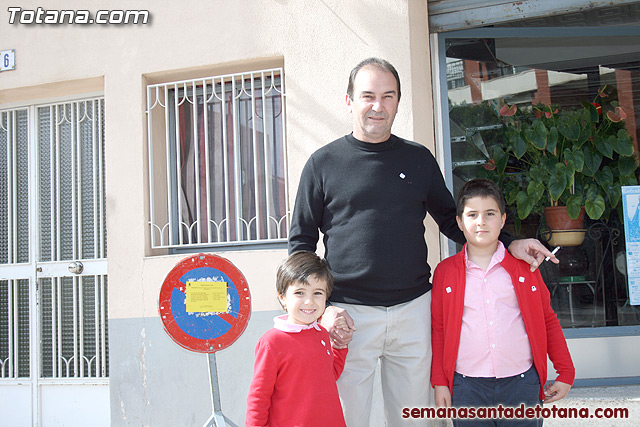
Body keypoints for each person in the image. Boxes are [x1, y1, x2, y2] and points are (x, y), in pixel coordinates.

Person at [288, 57, 558, 426]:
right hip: (348, 314)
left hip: (413, 311)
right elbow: (301, 243)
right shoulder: (322, 164)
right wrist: (321, 308)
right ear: (349, 101)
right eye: (368, 96)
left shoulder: (417, 159)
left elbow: (452, 219)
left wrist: (508, 242)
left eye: (388, 96)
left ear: (398, 101)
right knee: (345, 418)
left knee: (417, 419)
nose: (378, 106)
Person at [431, 179, 575, 426]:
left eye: (490, 214)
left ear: (503, 219)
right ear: (459, 222)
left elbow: (547, 319)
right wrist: (440, 382)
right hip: (467, 388)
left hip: (522, 385)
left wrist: (566, 372)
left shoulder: (525, 268)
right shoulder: (446, 271)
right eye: (472, 214)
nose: (481, 222)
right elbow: (439, 328)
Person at [245, 251, 348, 427]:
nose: (309, 302)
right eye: (300, 292)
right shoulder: (272, 342)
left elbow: (328, 375)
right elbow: (259, 397)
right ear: (282, 297)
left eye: (317, 293)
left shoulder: (322, 334)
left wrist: (340, 346)